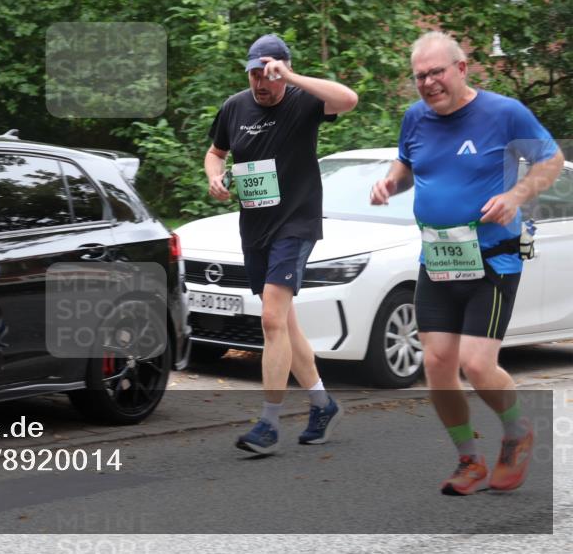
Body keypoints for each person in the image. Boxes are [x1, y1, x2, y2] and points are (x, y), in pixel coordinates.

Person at [370, 31, 563, 495]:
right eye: (420, 76)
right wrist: (390, 183)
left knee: (477, 364)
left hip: (493, 261)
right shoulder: (415, 118)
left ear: (462, 68)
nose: (429, 82)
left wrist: (515, 196)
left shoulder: (503, 113)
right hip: (437, 258)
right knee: (436, 365)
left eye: (437, 72)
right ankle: (469, 459)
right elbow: (406, 163)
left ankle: (517, 431)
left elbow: (551, 160)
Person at [206, 34, 358, 454]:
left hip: (296, 223)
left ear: (282, 71)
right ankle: (322, 404)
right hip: (255, 228)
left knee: (272, 318)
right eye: (254, 73)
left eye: (268, 73)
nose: (260, 82)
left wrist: (291, 77)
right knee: (284, 324)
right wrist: (214, 175)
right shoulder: (235, 107)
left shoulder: (303, 101)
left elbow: (348, 99)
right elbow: (215, 152)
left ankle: (269, 424)